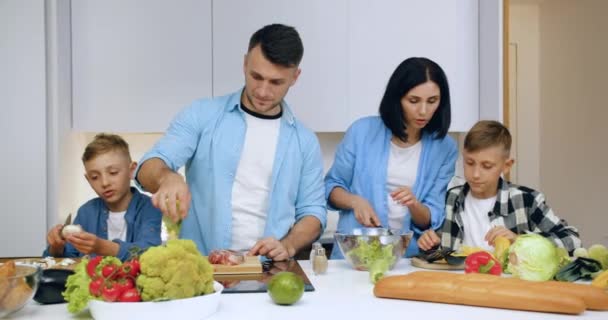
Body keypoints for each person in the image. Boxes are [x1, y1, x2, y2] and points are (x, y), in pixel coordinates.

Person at [135, 24, 326, 261]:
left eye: (276, 82)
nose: (263, 91)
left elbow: (313, 212)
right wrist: (167, 178)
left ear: (295, 77)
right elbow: (148, 166)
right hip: (202, 268)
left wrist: (287, 245)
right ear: (245, 63)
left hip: (269, 270)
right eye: (256, 76)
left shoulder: (304, 141)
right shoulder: (202, 115)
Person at [325, 57, 458, 258]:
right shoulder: (361, 131)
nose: (423, 111)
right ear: (397, 98)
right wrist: (355, 201)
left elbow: (430, 218)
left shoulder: (445, 148)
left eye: (432, 101)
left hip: (407, 258)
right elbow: (331, 187)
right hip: (355, 255)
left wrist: (414, 204)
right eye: (413, 101)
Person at [418, 120, 581, 253]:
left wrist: (520, 241)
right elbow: (439, 247)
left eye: (486, 166)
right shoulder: (451, 199)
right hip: (462, 288)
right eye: (469, 163)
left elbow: (572, 239)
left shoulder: (527, 201)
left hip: (507, 289)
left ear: (507, 165)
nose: (475, 174)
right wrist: (430, 242)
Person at [44, 134, 162, 261]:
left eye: (113, 173)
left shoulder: (150, 207)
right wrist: (56, 246)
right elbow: (68, 260)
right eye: (95, 177)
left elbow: (149, 253)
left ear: (132, 171)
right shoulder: (86, 212)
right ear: (88, 179)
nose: (104, 182)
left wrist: (102, 247)